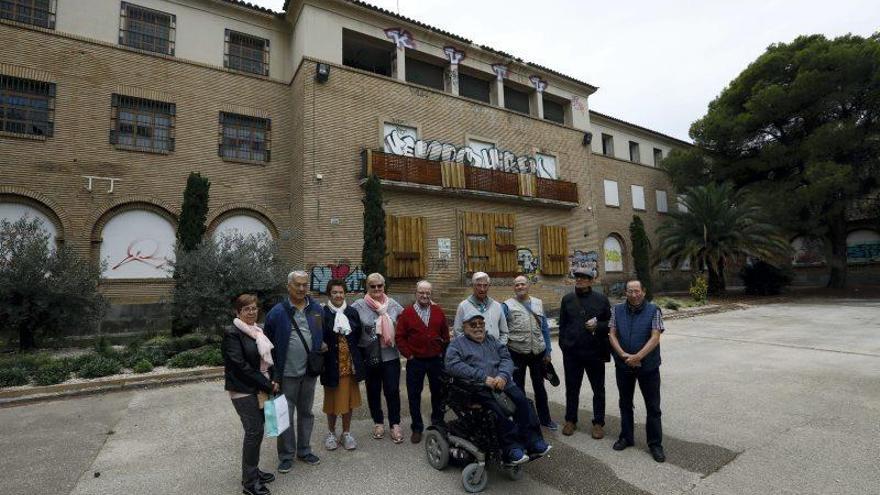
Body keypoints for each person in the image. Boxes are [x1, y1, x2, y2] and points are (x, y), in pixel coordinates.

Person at [445, 307, 551, 465]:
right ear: (464, 327)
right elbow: (452, 365)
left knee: (523, 402)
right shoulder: (457, 344)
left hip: (502, 383)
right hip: (478, 387)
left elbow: (507, 359)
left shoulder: (492, 340)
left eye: (481, 323)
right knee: (498, 409)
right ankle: (511, 448)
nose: (478, 327)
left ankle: (532, 441)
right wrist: (483, 378)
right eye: (473, 324)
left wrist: (502, 375)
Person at [264, 270, 325, 473]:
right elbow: (267, 345)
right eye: (297, 285)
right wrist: (272, 375)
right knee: (285, 415)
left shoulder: (316, 309)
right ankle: (286, 455)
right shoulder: (277, 313)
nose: (301, 288)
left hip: (309, 373)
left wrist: (319, 345)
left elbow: (320, 330)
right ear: (288, 286)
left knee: (306, 413)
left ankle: (305, 450)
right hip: (286, 374)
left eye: (304, 285)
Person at [222, 294, 280, 495]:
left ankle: (253, 471)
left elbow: (266, 360)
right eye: (247, 309)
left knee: (257, 431)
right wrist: (266, 384)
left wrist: (273, 379)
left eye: (254, 308)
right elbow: (240, 367)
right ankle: (249, 483)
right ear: (237, 312)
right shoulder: (232, 333)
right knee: (253, 431)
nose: (252, 311)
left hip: (260, 387)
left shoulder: (257, 331)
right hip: (244, 389)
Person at [608, 280, 666, 463]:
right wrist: (623, 355)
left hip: (648, 366)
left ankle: (655, 444)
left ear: (643, 291)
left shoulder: (654, 310)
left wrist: (638, 356)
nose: (634, 294)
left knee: (653, 407)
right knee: (625, 403)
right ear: (625, 292)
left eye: (637, 291)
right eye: (630, 291)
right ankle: (626, 437)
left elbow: (655, 337)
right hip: (623, 365)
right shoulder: (616, 310)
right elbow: (611, 333)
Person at [558, 267, 612, 439]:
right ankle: (570, 420)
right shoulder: (567, 299)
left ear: (591, 281)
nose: (580, 280)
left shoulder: (601, 299)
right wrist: (564, 345)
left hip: (594, 353)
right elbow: (563, 325)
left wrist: (599, 326)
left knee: (598, 390)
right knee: (572, 389)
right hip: (572, 354)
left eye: (584, 277)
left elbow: (610, 323)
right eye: (578, 277)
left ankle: (598, 423)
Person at [351, 273, 406, 443]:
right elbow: (347, 322)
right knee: (373, 391)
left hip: (390, 356)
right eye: (372, 286)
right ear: (367, 288)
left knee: (392, 391)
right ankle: (378, 422)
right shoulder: (358, 306)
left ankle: (395, 424)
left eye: (379, 286)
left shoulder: (393, 305)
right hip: (370, 357)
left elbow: (408, 321)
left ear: (384, 287)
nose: (376, 289)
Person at [395, 280, 450, 443]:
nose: (425, 296)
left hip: (436, 361)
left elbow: (445, 335)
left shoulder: (438, 311)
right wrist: (409, 355)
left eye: (428, 293)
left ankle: (437, 423)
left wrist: (443, 353)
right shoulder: (407, 313)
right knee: (414, 395)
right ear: (416, 293)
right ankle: (417, 428)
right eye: (422, 293)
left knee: (439, 394)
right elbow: (399, 337)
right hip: (415, 361)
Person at [502, 275, 558, 431]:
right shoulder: (507, 306)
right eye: (517, 285)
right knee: (517, 389)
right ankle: (522, 421)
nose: (520, 287)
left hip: (538, 353)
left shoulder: (538, 303)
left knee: (540, 388)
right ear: (514, 288)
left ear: (528, 286)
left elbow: (545, 329)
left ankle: (545, 419)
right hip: (517, 353)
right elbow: (502, 330)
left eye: (522, 284)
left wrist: (548, 350)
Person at [321, 279, 364, 452]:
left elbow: (358, 335)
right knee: (331, 403)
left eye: (341, 292)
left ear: (345, 293)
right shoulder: (322, 313)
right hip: (331, 365)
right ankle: (331, 433)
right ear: (329, 294)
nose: (338, 295)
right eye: (334, 292)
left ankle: (346, 433)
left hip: (349, 365)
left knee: (348, 402)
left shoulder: (352, 312)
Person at [452, 272, 509, 344]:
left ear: (488, 286)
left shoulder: (497, 306)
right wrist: (468, 349)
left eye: (485, 285)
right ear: (473, 286)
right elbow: (458, 332)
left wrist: (499, 347)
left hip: (494, 352)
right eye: (479, 285)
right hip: (472, 353)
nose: (482, 289)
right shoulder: (463, 306)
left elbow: (504, 332)